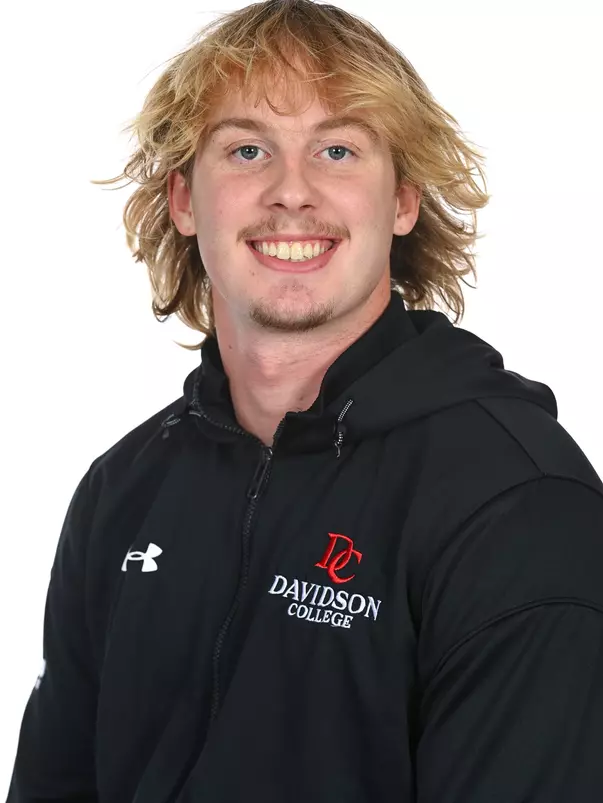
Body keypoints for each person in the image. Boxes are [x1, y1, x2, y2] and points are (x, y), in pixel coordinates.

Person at [6, 0, 603, 801]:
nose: (292, 192)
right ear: (185, 200)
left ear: (402, 202)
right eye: (247, 149)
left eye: (337, 149)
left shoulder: (514, 503)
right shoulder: (123, 489)